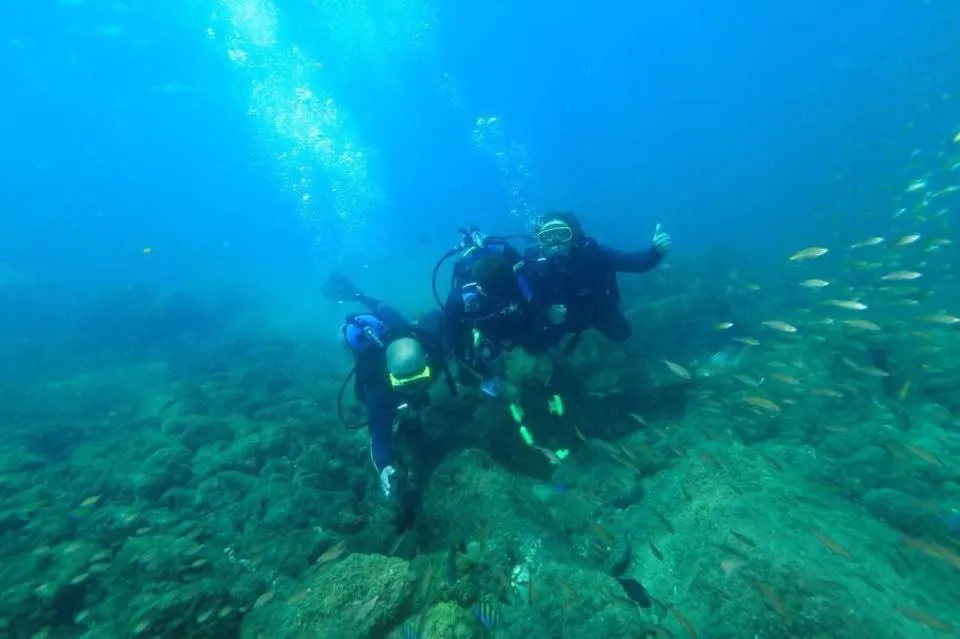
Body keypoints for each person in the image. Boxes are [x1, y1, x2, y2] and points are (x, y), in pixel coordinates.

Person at [323, 273, 457, 499]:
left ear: (425, 361)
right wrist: (384, 465)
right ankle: (353, 308)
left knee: (384, 310)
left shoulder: (430, 350)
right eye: (405, 384)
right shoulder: (377, 384)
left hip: (400, 328)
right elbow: (379, 432)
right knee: (366, 381)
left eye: (419, 380)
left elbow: (438, 318)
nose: (414, 389)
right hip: (371, 353)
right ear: (391, 376)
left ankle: (359, 295)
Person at [525, 212, 671, 347]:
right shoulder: (536, 266)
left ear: (573, 236)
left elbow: (632, 262)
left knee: (623, 336)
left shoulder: (593, 254)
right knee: (540, 345)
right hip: (564, 319)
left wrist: (655, 253)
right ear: (540, 242)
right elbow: (528, 300)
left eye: (563, 234)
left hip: (600, 312)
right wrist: (547, 312)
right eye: (548, 237)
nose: (556, 242)